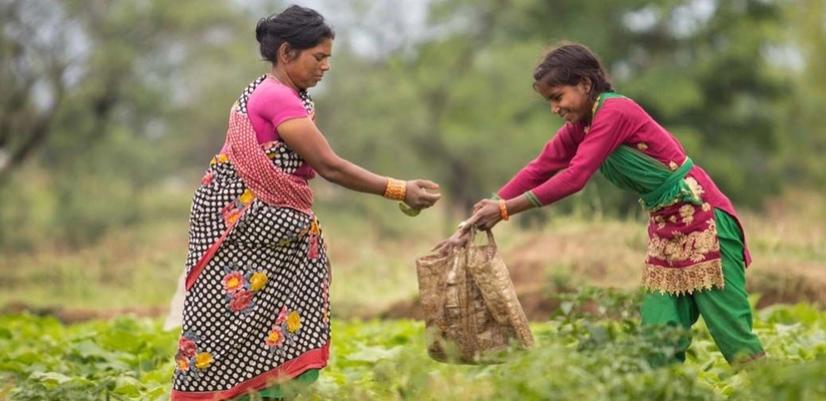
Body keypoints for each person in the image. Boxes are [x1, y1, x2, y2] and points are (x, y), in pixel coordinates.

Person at [170, 6, 440, 401]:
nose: (326, 66)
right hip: (242, 229)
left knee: (246, 325)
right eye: (319, 56)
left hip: (250, 231)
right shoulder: (278, 99)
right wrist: (399, 189)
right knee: (228, 324)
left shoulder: (272, 92)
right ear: (286, 53)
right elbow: (330, 166)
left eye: (328, 57)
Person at [448, 42, 764, 366]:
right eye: (549, 101)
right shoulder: (580, 127)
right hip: (666, 232)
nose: (554, 108)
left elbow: (575, 178)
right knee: (657, 345)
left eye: (558, 97)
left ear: (585, 84)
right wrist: (488, 208)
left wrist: (504, 211)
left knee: (736, 342)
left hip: (704, 221)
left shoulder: (615, 112)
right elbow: (540, 168)